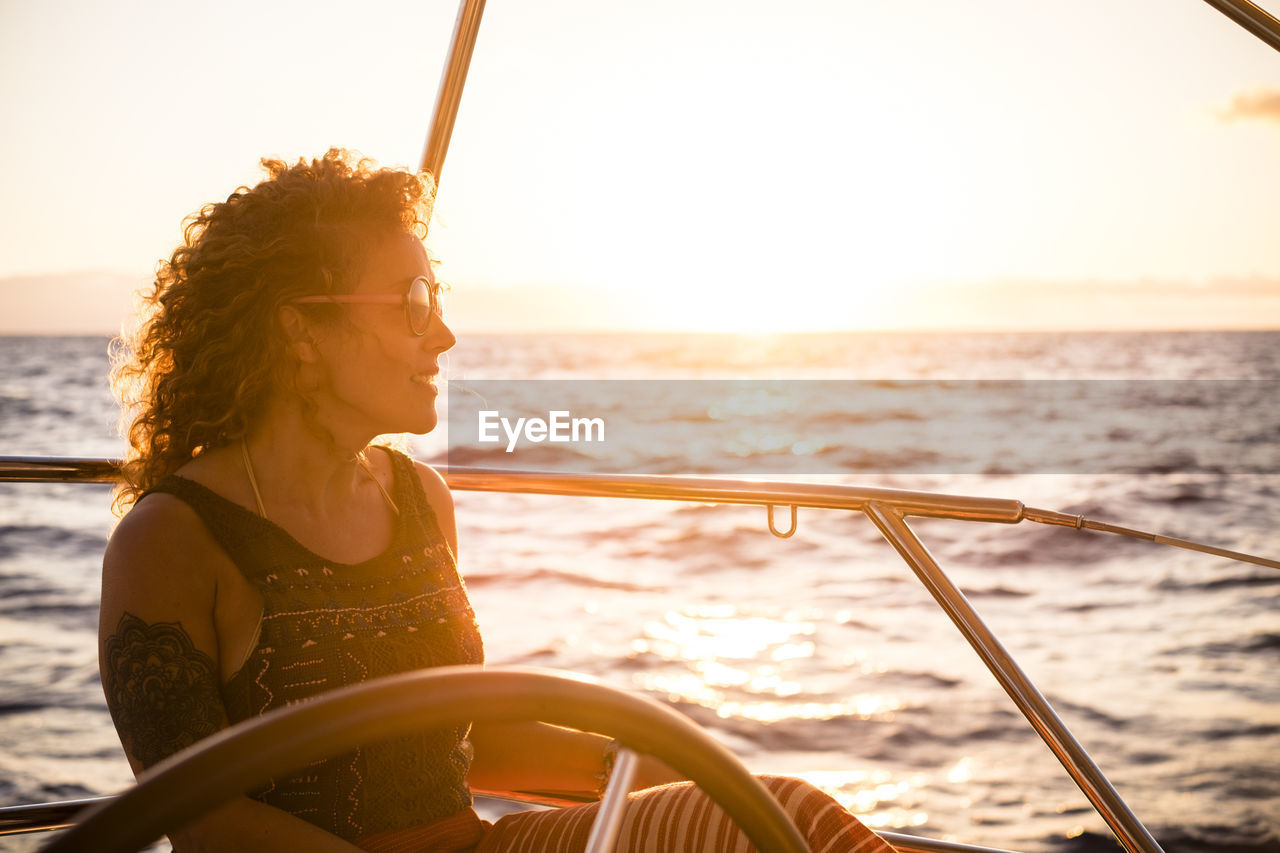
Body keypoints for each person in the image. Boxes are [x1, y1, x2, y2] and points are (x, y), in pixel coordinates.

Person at [101, 148, 898, 852]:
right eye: (413, 301)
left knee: (787, 818)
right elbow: (204, 821)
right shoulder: (174, 539)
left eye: (437, 296)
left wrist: (633, 768)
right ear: (299, 331)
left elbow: (459, 735)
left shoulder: (419, 498)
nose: (442, 334)